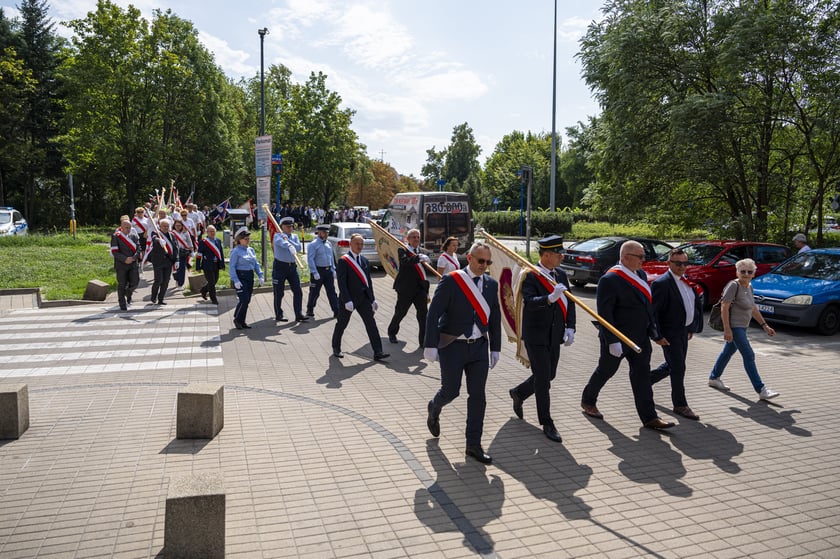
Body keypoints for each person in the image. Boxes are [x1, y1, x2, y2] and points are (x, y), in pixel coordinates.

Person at [580, 240, 674, 430]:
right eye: (640, 257)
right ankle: (588, 400)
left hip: (640, 338)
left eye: (643, 256)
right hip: (618, 338)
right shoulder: (610, 279)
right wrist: (612, 341)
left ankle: (650, 417)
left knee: (641, 376)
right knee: (606, 371)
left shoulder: (639, 274)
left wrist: (653, 332)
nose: (643, 260)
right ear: (625, 257)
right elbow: (605, 314)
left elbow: (647, 308)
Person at [424, 241, 502, 464]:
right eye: (480, 261)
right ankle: (434, 406)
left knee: (478, 396)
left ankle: (473, 445)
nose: (484, 265)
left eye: (488, 262)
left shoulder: (490, 284)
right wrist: (430, 345)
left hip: (478, 347)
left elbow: (494, 317)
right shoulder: (452, 280)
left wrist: (495, 347)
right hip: (453, 345)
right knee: (451, 391)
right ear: (469, 258)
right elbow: (433, 313)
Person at [509, 235, 576, 443]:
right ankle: (547, 422)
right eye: (558, 254)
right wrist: (549, 298)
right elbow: (529, 301)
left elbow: (571, 302)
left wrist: (571, 326)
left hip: (554, 334)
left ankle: (519, 392)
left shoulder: (561, 274)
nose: (561, 257)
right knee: (543, 380)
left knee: (549, 375)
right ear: (546, 255)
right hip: (536, 335)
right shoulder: (531, 275)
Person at [708, 258, 779, 400]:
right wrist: (727, 329)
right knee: (749, 355)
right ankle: (761, 390)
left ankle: (714, 378)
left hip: (743, 327)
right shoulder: (734, 286)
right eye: (743, 271)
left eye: (749, 271)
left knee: (727, 352)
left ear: (753, 274)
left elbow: (753, 308)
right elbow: (724, 307)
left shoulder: (749, 287)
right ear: (737, 272)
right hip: (735, 327)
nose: (746, 274)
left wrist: (765, 325)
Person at [650, 248, 704, 420]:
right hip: (669, 333)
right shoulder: (662, 283)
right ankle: (680, 405)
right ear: (669, 263)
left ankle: (645, 381)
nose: (682, 267)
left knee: (673, 365)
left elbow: (691, 305)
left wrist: (691, 327)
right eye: (678, 263)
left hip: (683, 331)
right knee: (679, 367)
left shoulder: (685, 281)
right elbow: (654, 313)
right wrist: (657, 335)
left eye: (685, 263)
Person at [331, 233, 389, 360]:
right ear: (350, 244)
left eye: (361, 244)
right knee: (342, 324)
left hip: (363, 299)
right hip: (349, 300)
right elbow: (342, 282)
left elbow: (368, 282)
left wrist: (373, 299)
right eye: (357, 243)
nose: (359, 246)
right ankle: (336, 347)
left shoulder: (364, 261)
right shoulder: (343, 261)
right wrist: (346, 300)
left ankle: (378, 352)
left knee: (371, 324)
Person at [387, 228, 430, 346]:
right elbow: (405, 262)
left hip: (420, 289)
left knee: (423, 315)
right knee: (401, 312)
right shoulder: (403, 250)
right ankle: (392, 332)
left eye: (417, 237)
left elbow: (427, 270)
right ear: (408, 239)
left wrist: (427, 260)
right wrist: (418, 258)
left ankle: (423, 341)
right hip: (406, 288)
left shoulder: (424, 251)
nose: (416, 239)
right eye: (413, 237)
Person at [272, 216, 307, 322]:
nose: (290, 228)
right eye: (287, 227)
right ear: (282, 227)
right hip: (280, 266)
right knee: (279, 292)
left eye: (291, 226)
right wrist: (287, 242)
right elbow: (281, 244)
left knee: (298, 291)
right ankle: (279, 314)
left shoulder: (294, 236)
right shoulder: (277, 236)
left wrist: (290, 242)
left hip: (292, 266)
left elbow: (298, 247)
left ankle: (298, 314)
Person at [229, 227, 265, 330]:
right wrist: (235, 280)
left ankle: (242, 320)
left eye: (248, 238)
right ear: (239, 240)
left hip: (250, 276)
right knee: (244, 299)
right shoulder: (235, 251)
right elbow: (232, 267)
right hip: (241, 277)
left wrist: (260, 275)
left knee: (247, 300)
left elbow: (256, 264)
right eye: (245, 238)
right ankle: (237, 319)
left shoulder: (251, 250)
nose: (247, 240)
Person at [305, 224, 339, 318]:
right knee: (314, 292)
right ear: (319, 233)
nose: (326, 234)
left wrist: (333, 269)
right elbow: (310, 259)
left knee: (331, 292)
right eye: (324, 232)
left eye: (327, 233)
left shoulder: (328, 243)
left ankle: (336, 310)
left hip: (328, 271)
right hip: (318, 271)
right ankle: (310, 309)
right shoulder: (313, 244)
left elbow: (331, 257)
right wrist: (314, 272)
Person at [110, 219, 141, 311]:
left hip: (132, 263)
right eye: (126, 227)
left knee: (135, 282)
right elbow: (115, 251)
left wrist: (134, 257)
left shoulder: (134, 236)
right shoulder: (116, 237)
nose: (128, 229)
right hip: (121, 265)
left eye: (130, 227)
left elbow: (139, 248)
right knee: (122, 284)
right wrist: (125, 259)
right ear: (121, 227)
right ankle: (122, 303)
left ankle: (128, 293)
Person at [148, 219, 177, 305]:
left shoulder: (172, 235)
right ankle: (153, 297)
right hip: (158, 261)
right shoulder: (156, 233)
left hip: (168, 261)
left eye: (167, 226)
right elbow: (153, 238)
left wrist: (177, 260)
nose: (166, 228)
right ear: (160, 226)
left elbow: (175, 248)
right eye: (164, 226)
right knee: (158, 280)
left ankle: (161, 299)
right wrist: (158, 240)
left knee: (166, 281)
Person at [196, 224, 225, 304]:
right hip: (207, 265)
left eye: (213, 231)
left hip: (216, 264)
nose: (212, 233)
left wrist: (222, 264)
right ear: (207, 232)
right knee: (211, 282)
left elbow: (221, 253)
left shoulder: (218, 241)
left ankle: (204, 290)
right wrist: (198, 267)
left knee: (215, 280)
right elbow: (199, 255)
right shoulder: (203, 242)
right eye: (210, 231)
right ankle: (213, 298)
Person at [170, 218, 193, 288]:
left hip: (183, 252)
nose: (178, 227)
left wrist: (191, 250)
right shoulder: (171, 233)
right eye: (176, 225)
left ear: (182, 226)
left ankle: (180, 283)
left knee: (182, 268)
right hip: (175, 253)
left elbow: (189, 242)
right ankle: (177, 278)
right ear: (174, 226)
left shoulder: (185, 232)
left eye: (179, 225)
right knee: (175, 268)